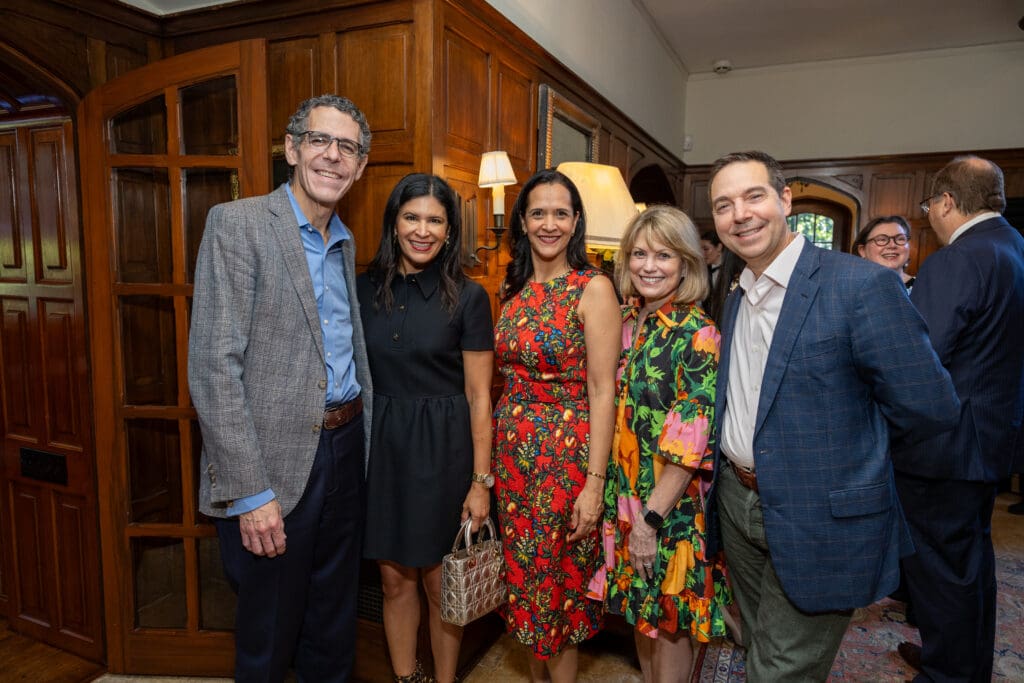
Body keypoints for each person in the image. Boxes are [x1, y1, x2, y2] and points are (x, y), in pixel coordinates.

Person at [705, 150, 959, 682]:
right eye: (723, 205)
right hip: (737, 502)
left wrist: (854, 464)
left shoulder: (860, 286)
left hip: (822, 516)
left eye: (754, 196)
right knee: (759, 646)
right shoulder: (736, 296)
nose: (740, 215)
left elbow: (930, 407)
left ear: (785, 200)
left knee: (780, 672)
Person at [188, 94, 373, 682]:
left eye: (348, 148)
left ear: (360, 166)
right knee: (268, 635)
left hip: (344, 450)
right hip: (271, 469)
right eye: (321, 140)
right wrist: (249, 493)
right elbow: (215, 366)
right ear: (291, 149)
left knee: (332, 624)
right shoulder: (238, 224)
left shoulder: (343, 240)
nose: (333, 157)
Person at [358, 174, 494, 683]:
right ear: (394, 223)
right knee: (394, 583)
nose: (423, 230)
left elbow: (480, 396)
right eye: (412, 217)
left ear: (449, 230)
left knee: (442, 586)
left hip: (444, 453)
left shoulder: (468, 297)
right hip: (381, 451)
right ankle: (405, 678)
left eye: (435, 220)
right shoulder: (360, 288)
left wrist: (481, 482)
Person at [892, 155, 1024, 683]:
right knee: (970, 565)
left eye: (930, 207)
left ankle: (948, 673)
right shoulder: (1013, 248)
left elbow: (918, 357)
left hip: (943, 446)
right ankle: (963, 664)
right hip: (990, 438)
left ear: (947, 202)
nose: (931, 218)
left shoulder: (956, 259)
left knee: (942, 571)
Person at [587, 206, 731, 683]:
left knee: (669, 623)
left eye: (663, 255)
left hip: (667, 509)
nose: (649, 266)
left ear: (686, 263)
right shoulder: (626, 322)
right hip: (623, 501)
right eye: (640, 254)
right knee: (640, 616)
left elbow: (690, 449)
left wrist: (649, 520)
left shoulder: (699, 334)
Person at [492, 168, 620, 682]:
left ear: (576, 222)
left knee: (556, 589)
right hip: (513, 459)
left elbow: (603, 391)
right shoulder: (514, 289)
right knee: (525, 583)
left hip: (564, 460)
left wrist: (594, 484)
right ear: (522, 221)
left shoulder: (593, 288)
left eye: (560, 213)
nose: (549, 223)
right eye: (538, 212)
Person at [854, 215, 916, 290]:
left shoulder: (924, 287)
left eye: (900, 239)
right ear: (862, 250)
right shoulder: (851, 289)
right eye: (882, 239)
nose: (892, 245)